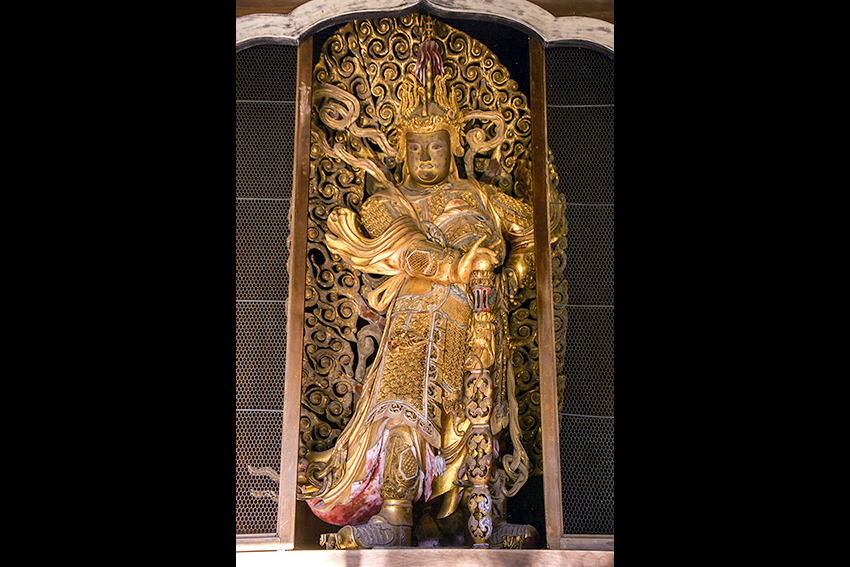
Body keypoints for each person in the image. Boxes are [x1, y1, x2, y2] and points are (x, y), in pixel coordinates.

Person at [298, 44, 537, 550]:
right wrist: (457, 265)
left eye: (436, 147)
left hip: (476, 320)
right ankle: (395, 513)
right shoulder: (389, 201)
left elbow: (534, 232)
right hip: (413, 326)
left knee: (477, 421)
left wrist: (510, 276)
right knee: (401, 413)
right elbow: (404, 247)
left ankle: (481, 517)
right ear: (401, 152)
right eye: (416, 148)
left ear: (453, 146)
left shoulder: (481, 197)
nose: (426, 158)